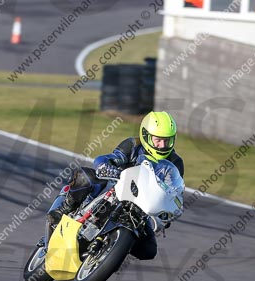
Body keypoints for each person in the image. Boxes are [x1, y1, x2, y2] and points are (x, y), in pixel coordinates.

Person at [45, 111, 185, 260]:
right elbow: (109, 158)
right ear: (145, 135)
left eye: (167, 141)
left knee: (149, 251)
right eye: (158, 140)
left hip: (142, 207)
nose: (163, 145)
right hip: (116, 188)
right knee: (85, 176)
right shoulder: (133, 144)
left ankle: (114, 248)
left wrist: (167, 213)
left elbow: (174, 192)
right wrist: (107, 167)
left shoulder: (175, 163)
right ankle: (64, 208)